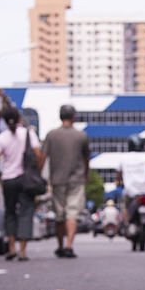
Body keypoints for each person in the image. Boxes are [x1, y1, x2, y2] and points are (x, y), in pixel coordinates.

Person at [0, 106, 42, 261]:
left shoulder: (1, 138)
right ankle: (23, 251)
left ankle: (11, 247)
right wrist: (36, 172)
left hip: (8, 180)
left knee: (10, 213)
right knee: (26, 212)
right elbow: (38, 155)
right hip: (26, 180)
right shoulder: (28, 133)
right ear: (19, 118)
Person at [43, 104, 90, 258]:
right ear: (73, 117)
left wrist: (40, 176)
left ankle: (60, 245)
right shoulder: (81, 136)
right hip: (76, 180)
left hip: (57, 180)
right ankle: (69, 245)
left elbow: (43, 157)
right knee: (72, 213)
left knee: (59, 215)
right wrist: (86, 175)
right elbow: (86, 159)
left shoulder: (51, 135)